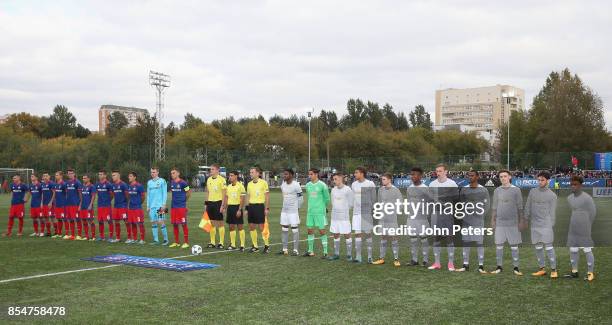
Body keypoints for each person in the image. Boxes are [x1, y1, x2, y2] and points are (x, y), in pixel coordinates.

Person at [490, 170, 527, 275]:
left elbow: (520, 207)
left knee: (514, 246)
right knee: (499, 245)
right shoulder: (497, 190)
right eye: (501, 177)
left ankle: (516, 268)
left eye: (505, 176)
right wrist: (493, 220)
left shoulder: (516, 190)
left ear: (509, 177)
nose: (503, 178)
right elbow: (494, 207)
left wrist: (521, 221)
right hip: (500, 222)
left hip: (513, 222)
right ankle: (499, 267)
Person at [524, 171, 558, 278]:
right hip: (534, 224)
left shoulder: (552, 195)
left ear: (548, 181)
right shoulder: (532, 191)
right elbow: (528, 206)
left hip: (546, 224)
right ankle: (542, 269)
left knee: (548, 247)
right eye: (538, 180)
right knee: (538, 247)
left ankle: (554, 270)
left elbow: (552, 212)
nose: (540, 182)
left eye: (542, 180)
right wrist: (525, 219)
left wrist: (550, 225)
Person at [564, 175, 597, 282]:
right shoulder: (569, 198)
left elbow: (593, 212)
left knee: (587, 249)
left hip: (584, 228)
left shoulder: (587, 198)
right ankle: (574, 272)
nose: (573, 186)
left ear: (580, 185)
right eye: (572, 184)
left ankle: (590, 273)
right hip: (573, 228)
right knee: (573, 249)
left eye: (576, 184)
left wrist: (587, 224)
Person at [457, 170, 489, 274]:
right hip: (466, 221)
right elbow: (461, 205)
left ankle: (481, 266)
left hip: (478, 221)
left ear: (477, 176)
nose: (470, 177)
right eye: (469, 176)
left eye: (472, 175)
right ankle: (465, 265)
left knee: (479, 243)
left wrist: (480, 216)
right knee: (466, 242)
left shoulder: (483, 190)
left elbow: (487, 205)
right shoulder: (464, 190)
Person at [428, 164, 459, 271]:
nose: (438, 173)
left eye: (440, 171)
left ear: (446, 172)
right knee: (436, 238)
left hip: (447, 214)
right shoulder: (432, 184)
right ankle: (437, 263)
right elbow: (430, 199)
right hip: (436, 215)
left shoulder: (452, 183)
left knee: (449, 238)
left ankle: (451, 263)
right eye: (437, 171)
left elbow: (456, 199)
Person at [372, 173, 402, 267]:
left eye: (384, 179)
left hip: (392, 218)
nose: (382, 181)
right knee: (383, 237)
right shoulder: (380, 190)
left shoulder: (396, 190)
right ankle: (381, 258)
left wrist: (394, 210)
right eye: (382, 179)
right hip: (382, 218)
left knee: (394, 237)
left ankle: (396, 259)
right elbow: (379, 202)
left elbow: (400, 203)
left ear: (389, 180)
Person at [406, 167, 432, 267]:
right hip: (411, 218)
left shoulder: (425, 188)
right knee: (413, 239)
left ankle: (425, 260)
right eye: (411, 174)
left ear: (420, 176)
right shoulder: (409, 188)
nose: (412, 176)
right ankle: (414, 260)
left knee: (423, 239)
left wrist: (426, 215)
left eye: (415, 174)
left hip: (422, 218)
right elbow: (409, 202)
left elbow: (430, 203)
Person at [351, 167, 376, 263]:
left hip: (366, 213)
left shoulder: (370, 184)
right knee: (357, 234)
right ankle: (358, 256)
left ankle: (370, 257)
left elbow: (373, 198)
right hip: (356, 213)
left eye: (356, 172)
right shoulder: (353, 184)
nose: (355, 174)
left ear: (362, 173)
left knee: (368, 234)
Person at [303, 168, 330, 257]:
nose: (309, 176)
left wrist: (323, 208)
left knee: (322, 231)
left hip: (319, 212)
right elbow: (310, 197)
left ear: (316, 175)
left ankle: (325, 252)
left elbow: (327, 199)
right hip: (310, 212)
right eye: (309, 174)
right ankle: (310, 251)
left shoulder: (322, 185)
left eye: (311, 174)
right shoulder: (308, 185)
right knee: (310, 230)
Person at [328, 172, 353, 261]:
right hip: (334, 216)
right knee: (335, 234)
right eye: (333, 179)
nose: (334, 181)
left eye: (336, 179)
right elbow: (332, 202)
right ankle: (336, 254)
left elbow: (351, 204)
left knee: (347, 234)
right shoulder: (333, 190)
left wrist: (344, 211)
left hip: (344, 217)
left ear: (341, 179)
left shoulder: (347, 189)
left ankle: (349, 255)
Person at [245, 166, 270, 253]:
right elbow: (248, 196)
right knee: (251, 226)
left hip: (259, 206)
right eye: (250, 172)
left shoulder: (263, 183)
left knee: (261, 227)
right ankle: (255, 246)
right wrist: (247, 208)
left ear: (257, 173)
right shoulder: (249, 184)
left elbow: (267, 196)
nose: (250, 174)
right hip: (251, 207)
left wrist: (266, 208)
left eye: (252, 172)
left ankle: (266, 245)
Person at [278, 168, 303, 256]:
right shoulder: (283, 184)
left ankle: (295, 250)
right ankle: (285, 249)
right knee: (284, 228)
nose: (284, 176)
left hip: (293, 211)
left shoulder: (296, 185)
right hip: (284, 210)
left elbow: (301, 198)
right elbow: (284, 195)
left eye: (286, 174)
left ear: (291, 175)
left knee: (294, 229)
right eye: (284, 174)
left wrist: (298, 209)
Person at [205, 164, 227, 249]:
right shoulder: (209, 179)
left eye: (213, 169)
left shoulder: (222, 180)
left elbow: (224, 194)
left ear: (218, 170)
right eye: (211, 169)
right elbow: (207, 192)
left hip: (218, 203)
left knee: (220, 223)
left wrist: (223, 205)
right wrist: (206, 204)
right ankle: (212, 242)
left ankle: (221, 242)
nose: (211, 171)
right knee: (211, 223)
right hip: (210, 203)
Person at [169, 167, 191, 248]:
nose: (172, 175)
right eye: (171, 173)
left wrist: (184, 201)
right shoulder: (171, 183)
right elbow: (172, 193)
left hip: (181, 207)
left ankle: (186, 242)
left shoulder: (183, 183)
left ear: (178, 173)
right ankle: (176, 242)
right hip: (173, 206)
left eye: (173, 173)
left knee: (183, 224)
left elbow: (189, 192)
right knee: (174, 224)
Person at [225, 171, 246, 251]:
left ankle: (242, 245)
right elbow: (227, 197)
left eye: (231, 175)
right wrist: (225, 207)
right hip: (230, 208)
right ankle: (233, 245)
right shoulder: (228, 186)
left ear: (236, 176)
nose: (230, 177)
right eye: (229, 176)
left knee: (240, 226)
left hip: (237, 207)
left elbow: (242, 199)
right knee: (231, 226)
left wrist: (240, 209)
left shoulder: (241, 186)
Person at [147, 167, 169, 245]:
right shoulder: (149, 182)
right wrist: (148, 206)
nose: (152, 174)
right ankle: (156, 240)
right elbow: (148, 195)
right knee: (153, 222)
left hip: (160, 206)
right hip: (152, 206)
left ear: (158, 172)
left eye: (154, 172)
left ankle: (166, 240)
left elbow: (165, 193)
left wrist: (164, 204)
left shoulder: (162, 181)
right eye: (151, 172)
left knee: (161, 221)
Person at [127, 172, 146, 244]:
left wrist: (139, 203)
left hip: (137, 208)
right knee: (132, 223)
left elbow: (143, 196)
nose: (129, 177)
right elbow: (129, 197)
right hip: (131, 208)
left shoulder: (139, 186)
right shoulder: (129, 186)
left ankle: (142, 239)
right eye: (129, 176)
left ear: (135, 177)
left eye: (130, 176)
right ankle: (134, 239)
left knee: (140, 223)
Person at [111, 170, 129, 243]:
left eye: (114, 175)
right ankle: (118, 238)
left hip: (123, 206)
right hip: (116, 206)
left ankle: (129, 238)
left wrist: (126, 205)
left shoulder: (123, 184)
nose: (113, 177)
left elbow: (127, 195)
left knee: (126, 221)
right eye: (112, 175)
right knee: (116, 221)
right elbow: (113, 195)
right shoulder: (113, 185)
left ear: (118, 176)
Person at [95, 170, 114, 241]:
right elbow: (97, 192)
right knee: (100, 221)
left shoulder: (109, 184)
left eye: (101, 174)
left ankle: (111, 237)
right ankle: (101, 236)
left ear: (105, 175)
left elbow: (112, 195)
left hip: (107, 205)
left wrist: (108, 200)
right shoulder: (97, 184)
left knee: (109, 221)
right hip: (100, 205)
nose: (100, 176)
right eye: (99, 174)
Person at [64, 169, 83, 240]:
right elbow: (66, 193)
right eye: (69, 173)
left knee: (77, 219)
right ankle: (72, 235)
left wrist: (80, 204)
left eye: (71, 173)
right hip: (69, 204)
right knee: (71, 219)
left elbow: (80, 194)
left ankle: (79, 235)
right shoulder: (67, 183)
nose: (70, 175)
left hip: (76, 204)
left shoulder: (77, 182)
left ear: (74, 174)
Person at [79, 174, 96, 241]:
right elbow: (81, 197)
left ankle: (93, 236)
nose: (84, 179)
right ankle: (87, 236)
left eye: (85, 178)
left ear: (89, 179)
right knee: (84, 221)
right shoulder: (82, 186)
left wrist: (90, 205)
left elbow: (93, 196)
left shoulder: (92, 187)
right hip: (83, 206)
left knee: (90, 221)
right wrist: (80, 205)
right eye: (83, 178)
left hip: (88, 207)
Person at [52, 171, 67, 238]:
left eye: (57, 175)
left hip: (63, 204)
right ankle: (59, 233)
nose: (56, 176)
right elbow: (54, 194)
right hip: (57, 204)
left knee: (64, 218)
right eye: (55, 175)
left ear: (61, 176)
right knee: (58, 218)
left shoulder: (64, 184)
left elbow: (67, 194)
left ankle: (66, 234)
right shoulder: (55, 184)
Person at [40, 172, 55, 236]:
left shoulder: (51, 183)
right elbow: (42, 193)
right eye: (44, 176)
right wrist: (41, 202)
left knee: (52, 217)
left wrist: (51, 202)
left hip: (50, 204)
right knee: (46, 217)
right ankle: (48, 232)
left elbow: (54, 193)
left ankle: (56, 231)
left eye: (46, 176)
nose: (45, 177)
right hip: (44, 203)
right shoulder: (42, 184)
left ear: (49, 177)